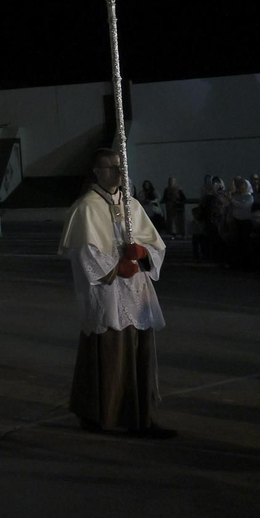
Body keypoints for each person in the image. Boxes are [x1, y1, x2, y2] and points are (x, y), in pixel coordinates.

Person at [60, 148, 176, 438]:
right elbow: (84, 253)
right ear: (97, 172)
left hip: (136, 292)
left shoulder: (132, 205)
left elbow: (156, 246)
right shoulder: (86, 207)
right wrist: (118, 264)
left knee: (140, 353)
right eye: (110, 167)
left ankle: (142, 416)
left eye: (119, 166)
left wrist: (142, 254)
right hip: (107, 294)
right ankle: (102, 415)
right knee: (111, 353)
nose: (117, 172)